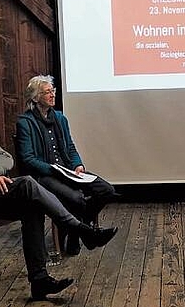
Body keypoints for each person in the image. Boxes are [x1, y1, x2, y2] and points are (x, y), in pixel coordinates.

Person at [0, 87, 118, 300]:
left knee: (32, 205)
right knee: (27, 183)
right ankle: (79, 228)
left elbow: (7, 158)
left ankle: (39, 281)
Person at [15, 75, 119, 255]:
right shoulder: (25, 122)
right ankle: (82, 234)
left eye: (53, 91)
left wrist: (77, 165)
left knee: (106, 190)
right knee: (76, 199)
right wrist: (53, 170)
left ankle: (76, 231)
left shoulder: (60, 118)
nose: (52, 95)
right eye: (47, 92)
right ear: (35, 97)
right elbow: (27, 159)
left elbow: (70, 147)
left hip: (67, 171)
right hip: (44, 175)